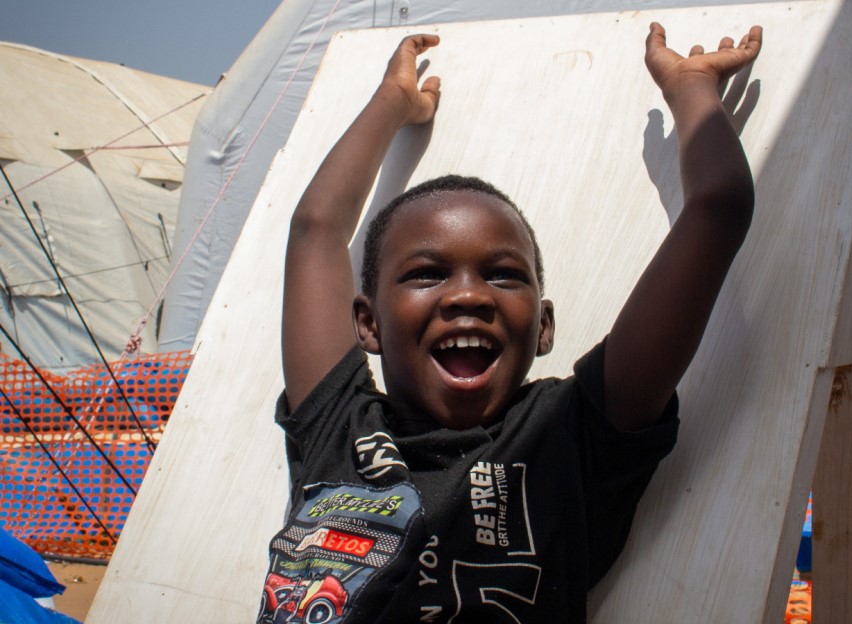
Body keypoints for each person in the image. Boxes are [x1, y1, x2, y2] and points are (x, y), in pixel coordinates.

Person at [259, 21, 762, 624]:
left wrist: (691, 90)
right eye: (426, 274)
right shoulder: (338, 427)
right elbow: (316, 230)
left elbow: (719, 207)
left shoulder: (569, 437)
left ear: (544, 328)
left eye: (502, 275)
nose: (468, 295)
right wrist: (392, 104)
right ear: (366, 324)